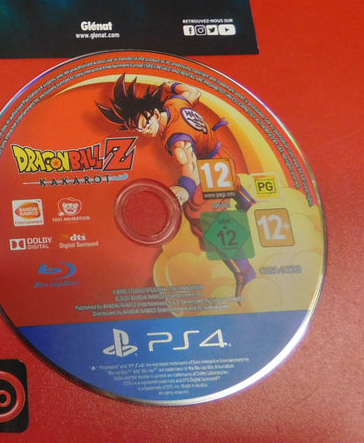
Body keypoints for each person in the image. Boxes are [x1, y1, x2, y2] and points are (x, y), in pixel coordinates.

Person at [97, 75, 256, 296]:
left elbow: (190, 166)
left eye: (144, 124)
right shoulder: (175, 103)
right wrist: (169, 85)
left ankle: (245, 272)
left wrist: (183, 191)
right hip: (219, 155)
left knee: (204, 218)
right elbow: (194, 92)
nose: (143, 132)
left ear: (154, 114)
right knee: (229, 188)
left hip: (210, 166)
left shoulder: (177, 139)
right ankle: (248, 203)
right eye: (138, 130)